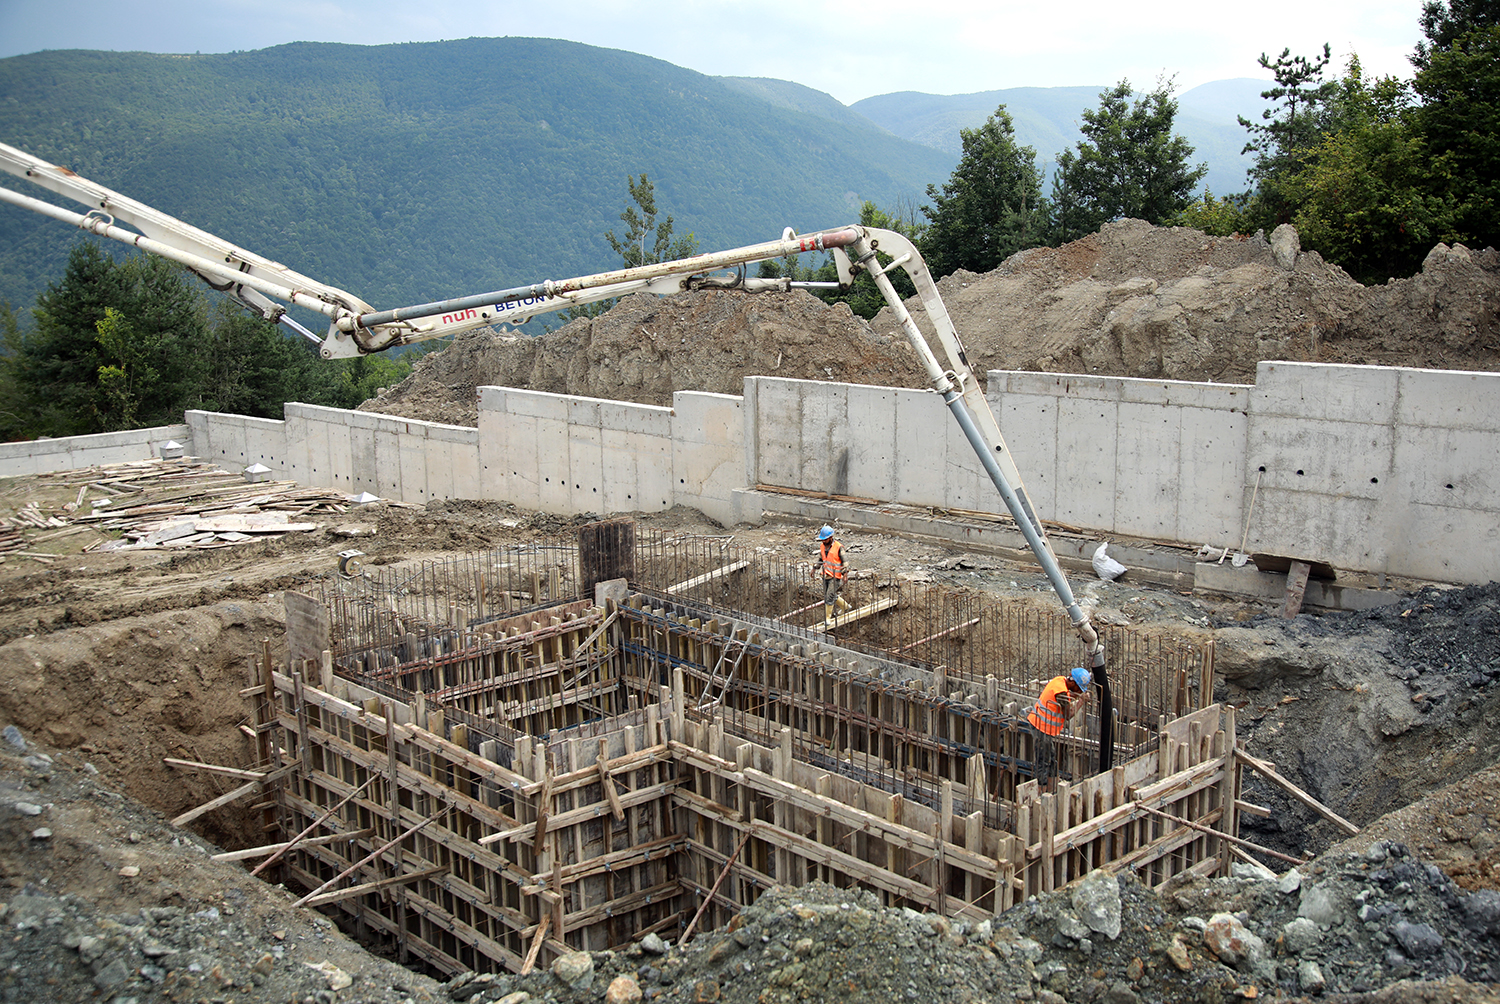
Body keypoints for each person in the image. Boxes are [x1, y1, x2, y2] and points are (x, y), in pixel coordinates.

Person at [1027, 666, 1092, 793]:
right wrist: (1081, 701)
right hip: (1041, 728)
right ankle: (1042, 795)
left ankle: (1052, 789)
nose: (1079, 692)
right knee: (1043, 762)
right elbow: (1068, 715)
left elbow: (1068, 694)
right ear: (1073, 682)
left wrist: (1076, 696)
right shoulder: (1061, 693)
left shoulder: (1060, 680)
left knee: (1051, 760)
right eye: (1079, 689)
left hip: (1044, 728)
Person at [816, 525, 852, 626]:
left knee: (829, 596)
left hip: (835, 576)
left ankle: (828, 618)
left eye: (825, 539)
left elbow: (845, 562)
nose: (823, 541)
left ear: (831, 537)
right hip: (826, 575)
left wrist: (845, 575)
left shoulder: (839, 547)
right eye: (822, 539)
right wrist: (815, 568)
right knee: (829, 594)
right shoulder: (822, 546)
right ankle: (846, 607)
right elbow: (821, 559)